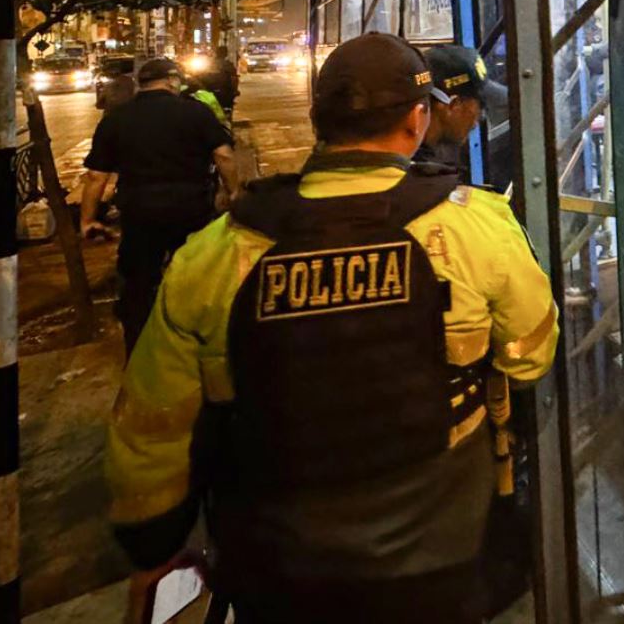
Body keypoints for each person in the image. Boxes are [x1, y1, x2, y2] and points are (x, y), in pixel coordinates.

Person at [106, 33, 559, 623]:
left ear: (317, 121)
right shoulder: (478, 229)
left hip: (278, 567)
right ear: (418, 118)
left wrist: (154, 548)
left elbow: (151, 431)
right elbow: (530, 358)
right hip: (443, 554)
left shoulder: (215, 254)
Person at [79, 57, 237, 357]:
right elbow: (224, 155)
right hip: (191, 208)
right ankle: (194, 346)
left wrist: (87, 219)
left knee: (138, 283)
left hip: (140, 212)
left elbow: (96, 177)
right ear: (172, 81)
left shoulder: (117, 118)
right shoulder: (195, 112)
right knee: (194, 276)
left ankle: (139, 352)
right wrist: (234, 191)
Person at [416, 44, 492, 183]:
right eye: (480, 105)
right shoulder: (422, 181)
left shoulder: (413, 158)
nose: (480, 117)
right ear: (453, 105)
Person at [192, 46, 241, 120]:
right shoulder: (227, 64)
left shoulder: (209, 64)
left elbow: (198, 76)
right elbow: (234, 78)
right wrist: (234, 91)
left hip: (212, 92)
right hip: (222, 92)